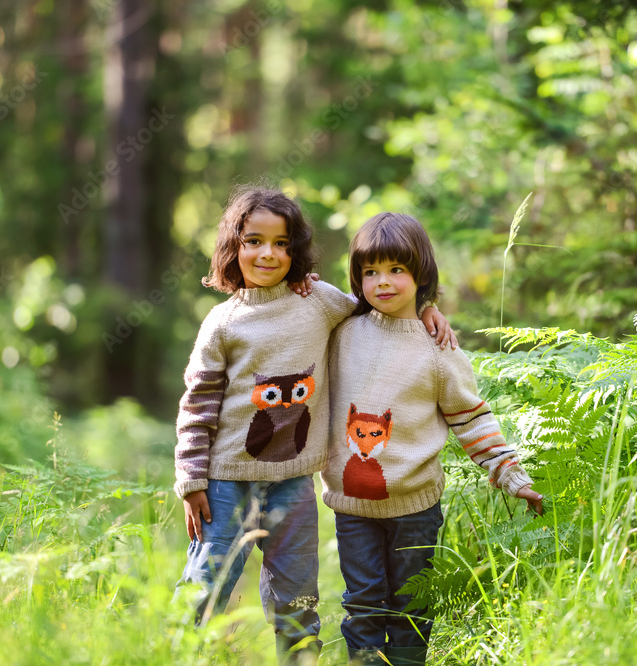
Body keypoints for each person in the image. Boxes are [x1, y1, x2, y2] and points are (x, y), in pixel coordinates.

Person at [172, 186, 454, 665]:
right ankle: (182, 655)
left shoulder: (319, 301)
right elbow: (198, 404)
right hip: (225, 482)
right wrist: (191, 478)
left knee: (297, 600)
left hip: (294, 485)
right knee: (208, 584)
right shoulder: (222, 323)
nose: (268, 253)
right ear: (233, 247)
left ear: (296, 250)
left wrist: (424, 309)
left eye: (282, 243)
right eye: (254, 241)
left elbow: (378, 303)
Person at [322, 212, 544, 666]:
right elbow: (302, 306)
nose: (382, 282)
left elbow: (471, 418)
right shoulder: (341, 331)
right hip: (352, 507)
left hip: (416, 509)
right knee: (362, 603)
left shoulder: (438, 350)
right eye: (370, 272)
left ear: (420, 273)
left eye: (396, 270)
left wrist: (511, 474)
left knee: (411, 606)